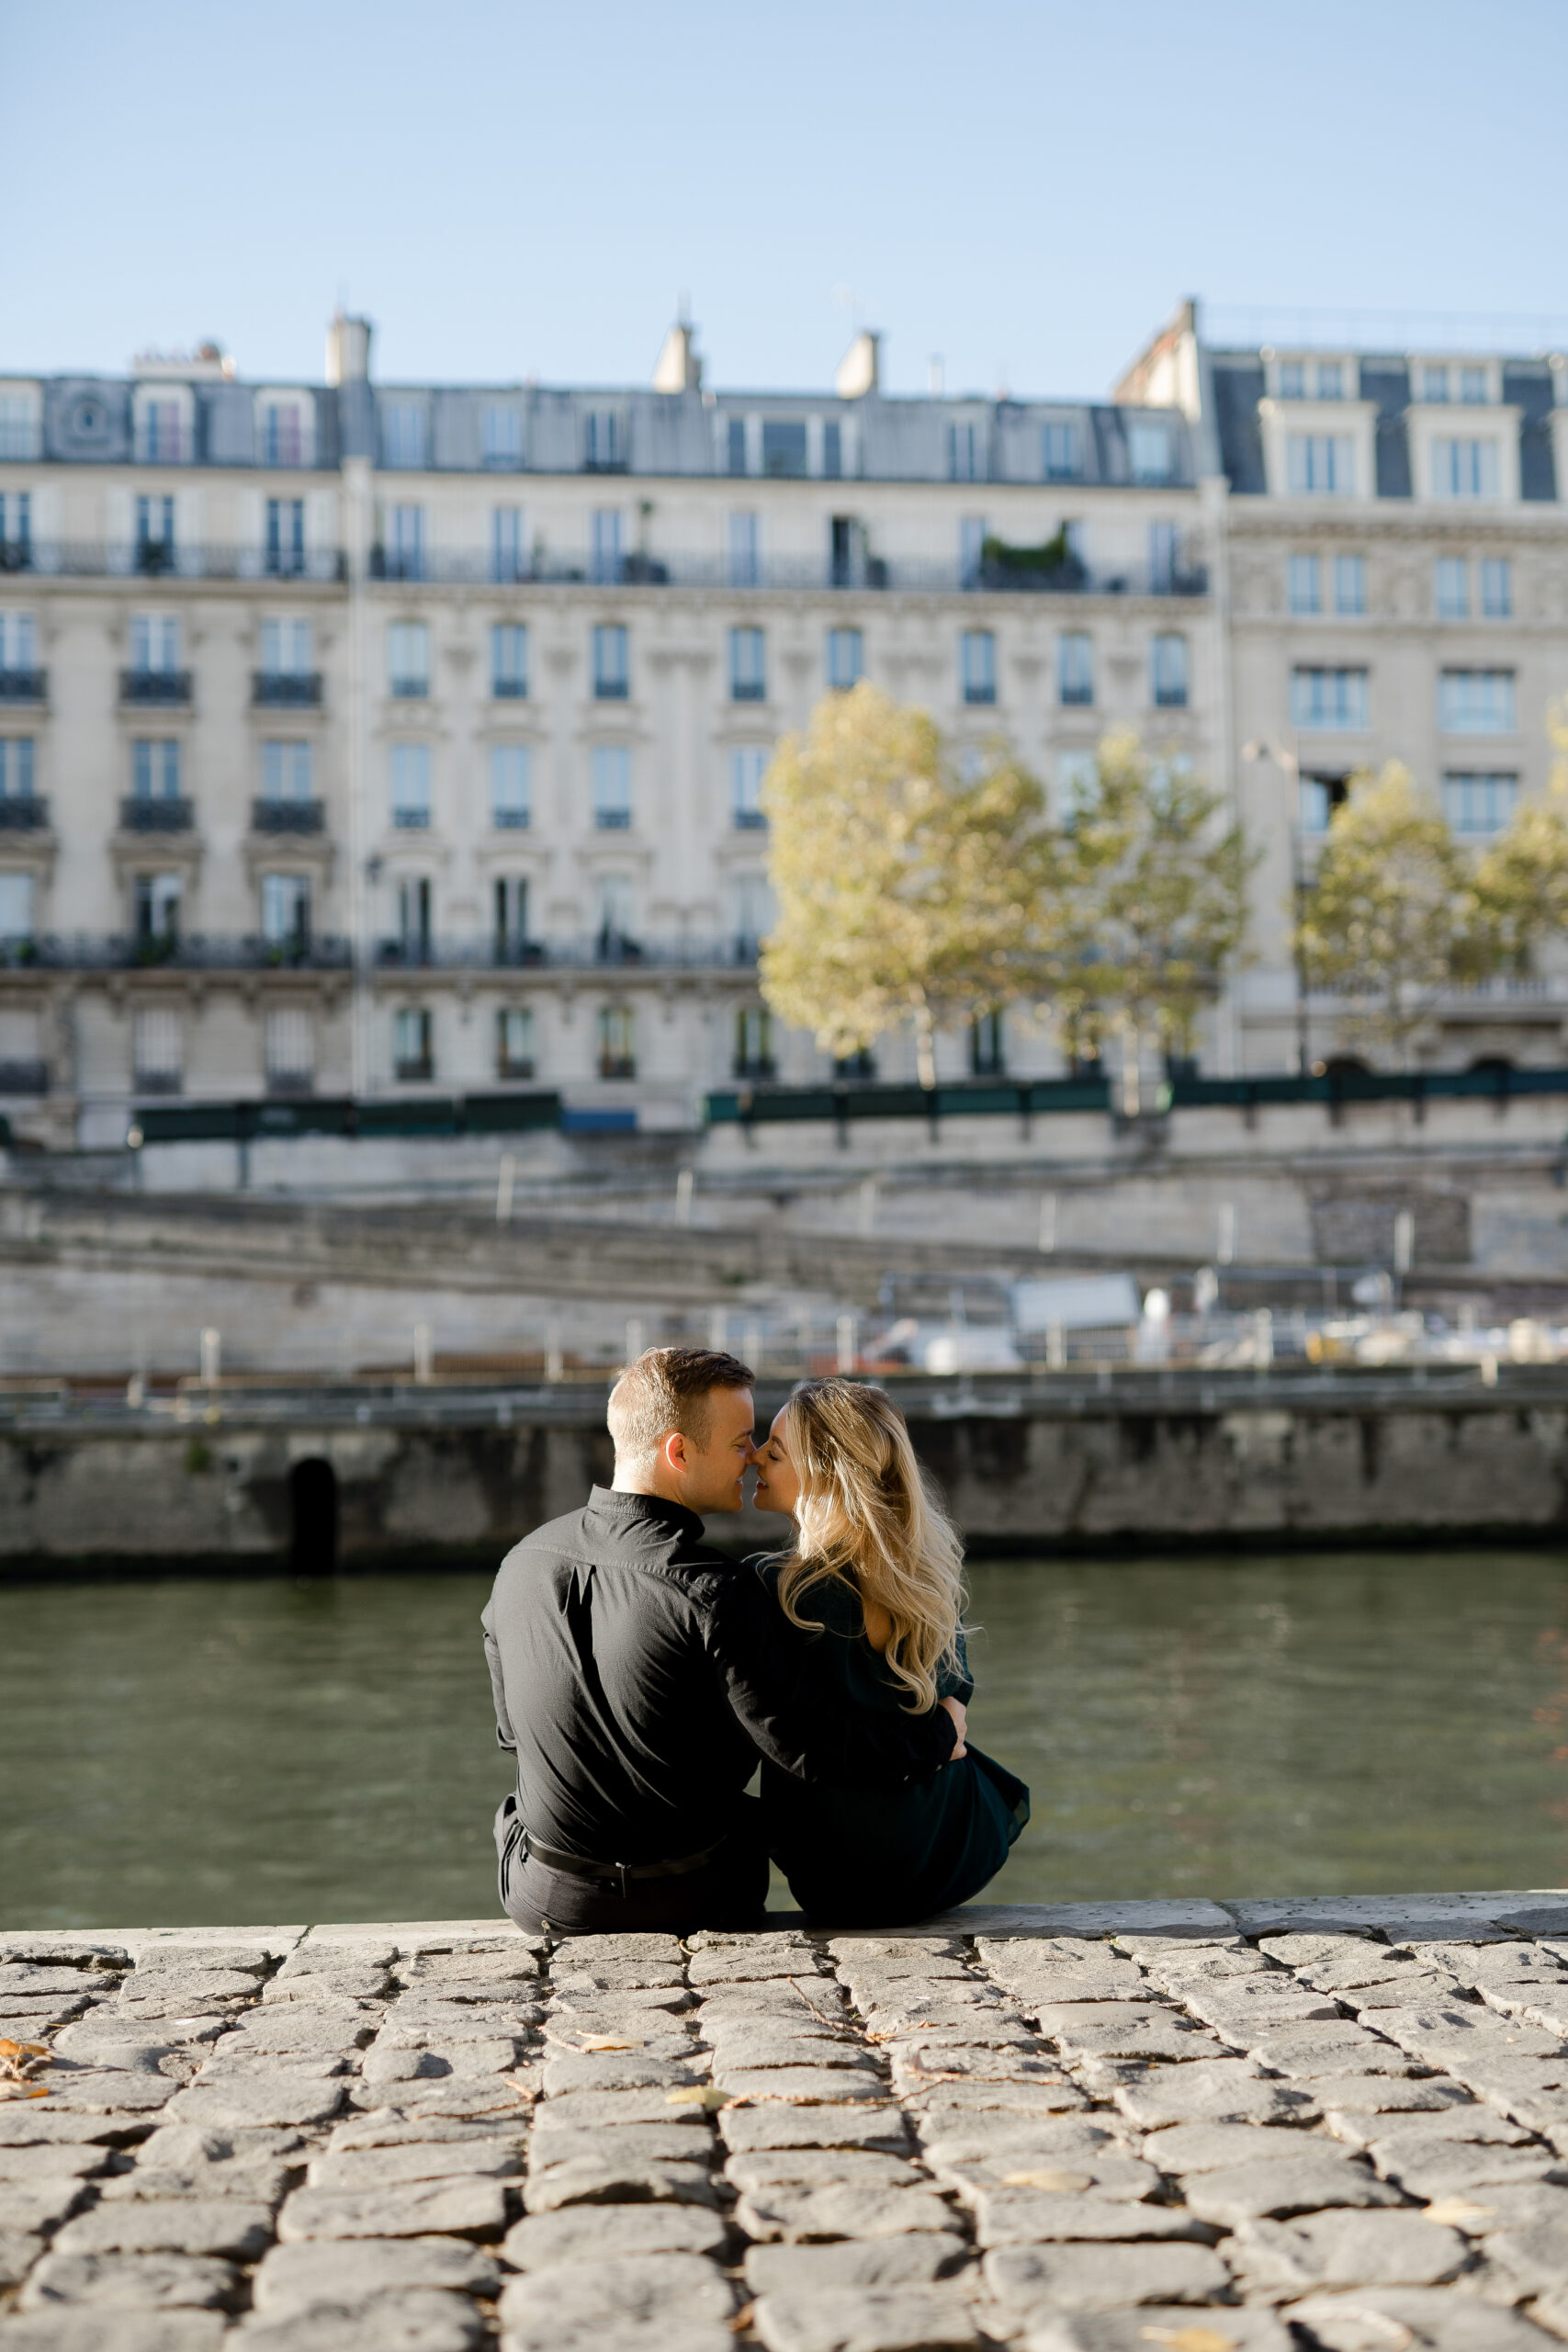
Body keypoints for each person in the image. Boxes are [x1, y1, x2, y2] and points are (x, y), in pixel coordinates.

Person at [481, 1346, 967, 1935]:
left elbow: (513, 1736)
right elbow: (810, 1750)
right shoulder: (716, 1590)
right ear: (678, 1452)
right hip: (694, 1897)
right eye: (741, 1442)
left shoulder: (519, 1563)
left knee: (516, 1810)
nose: (752, 1456)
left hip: (546, 1899)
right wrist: (940, 1733)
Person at [750, 1376, 1029, 1925]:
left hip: (835, 1871)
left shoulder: (770, 1588)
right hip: (945, 1849)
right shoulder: (928, 1579)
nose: (756, 1456)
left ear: (825, 1478)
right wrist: (944, 1731)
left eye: (776, 1451)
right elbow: (956, 1702)